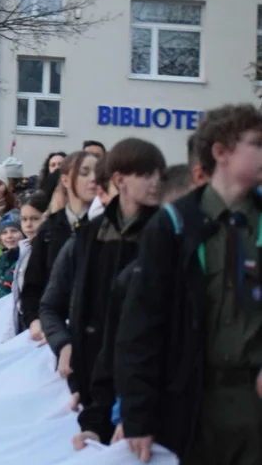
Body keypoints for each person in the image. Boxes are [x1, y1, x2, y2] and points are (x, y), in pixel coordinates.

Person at [116, 104, 262, 465]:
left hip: (253, 410)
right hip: (192, 408)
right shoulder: (175, 226)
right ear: (222, 151)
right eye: (256, 142)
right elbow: (141, 328)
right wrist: (140, 414)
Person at [40, 138, 165, 437]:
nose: (156, 183)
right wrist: (64, 344)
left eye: (160, 174)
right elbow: (52, 304)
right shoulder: (88, 236)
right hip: (94, 391)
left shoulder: (164, 234)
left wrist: (133, 411)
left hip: (145, 400)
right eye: (147, 174)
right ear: (119, 180)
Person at [20, 151, 97, 342]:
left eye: (98, 172)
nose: (94, 179)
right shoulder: (50, 228)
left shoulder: (108, 227)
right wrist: (35, 320)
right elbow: (33, 285)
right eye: (84, 172)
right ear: (65, 180)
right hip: (52, 330)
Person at [13, 192, 48, 334]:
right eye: (24, 219)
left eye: (35, 219)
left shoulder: (48, 249)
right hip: (25, 318)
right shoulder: (24, 249)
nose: (28, 225)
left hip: (42, 322)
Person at [0, 216, 24, 302]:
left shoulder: (25, 258)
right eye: (4, 233)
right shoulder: (1, 259)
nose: (9, 236)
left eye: (14, 231)